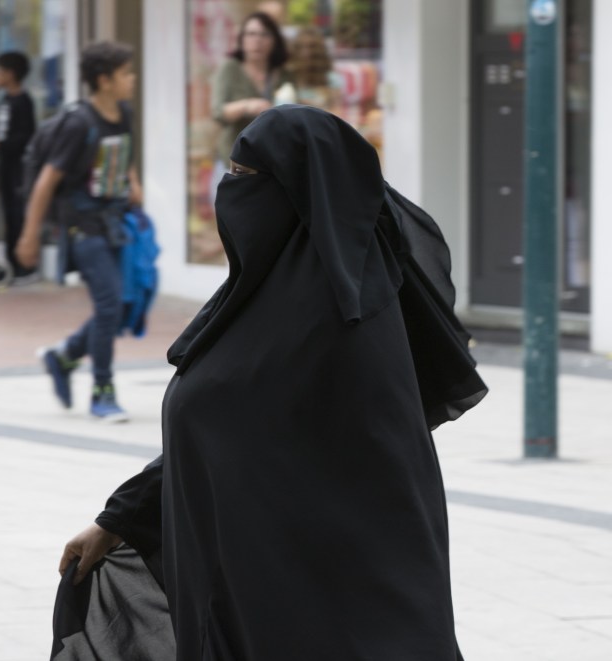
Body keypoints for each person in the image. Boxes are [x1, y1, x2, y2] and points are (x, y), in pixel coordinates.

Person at [50, 105, 489, 659]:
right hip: (247, 592)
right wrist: (119, 519)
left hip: (310, 609)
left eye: (243, 178)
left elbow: (377, 500)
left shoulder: (345, 325)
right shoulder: (261, 302)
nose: (228, 193)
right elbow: (225, 432)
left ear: (295, 190)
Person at [16, 42, 142, 423]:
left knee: (121, 304)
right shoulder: (78, 123)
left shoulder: (123, 113)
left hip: (114, 222)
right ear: (103, 81)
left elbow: (124, 154)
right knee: (109, 305)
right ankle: (103, 392)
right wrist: (29, 235)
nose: (132, 79)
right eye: (125, 74)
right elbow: (45, 182)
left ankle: (64, 355)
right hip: (82, 227)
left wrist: (134, 186)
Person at [210, 11, 293, 196]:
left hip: (272, 164)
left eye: (264, 34)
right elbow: (218, 112)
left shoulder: (282, 74)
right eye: (251, 34)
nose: (258, 41)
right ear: (242, 39)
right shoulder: (230, 68)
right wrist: (248, 106)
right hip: (234, 163)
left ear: (275, 40)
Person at [0, 51, 37, 283]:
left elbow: (25, 138)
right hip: (5, 167)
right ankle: (13, 263)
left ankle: (25, 266)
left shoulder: (24, 102)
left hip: (19, 170)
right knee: (8, 215)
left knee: (18, 215)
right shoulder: (5, 101)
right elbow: (3, 131)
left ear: (10, 75)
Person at [287, 26, 341, 110]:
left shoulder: (331, 79)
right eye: (301, 47)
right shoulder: (288, 77)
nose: (305, 53)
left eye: (311, 47)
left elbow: (337, 110)